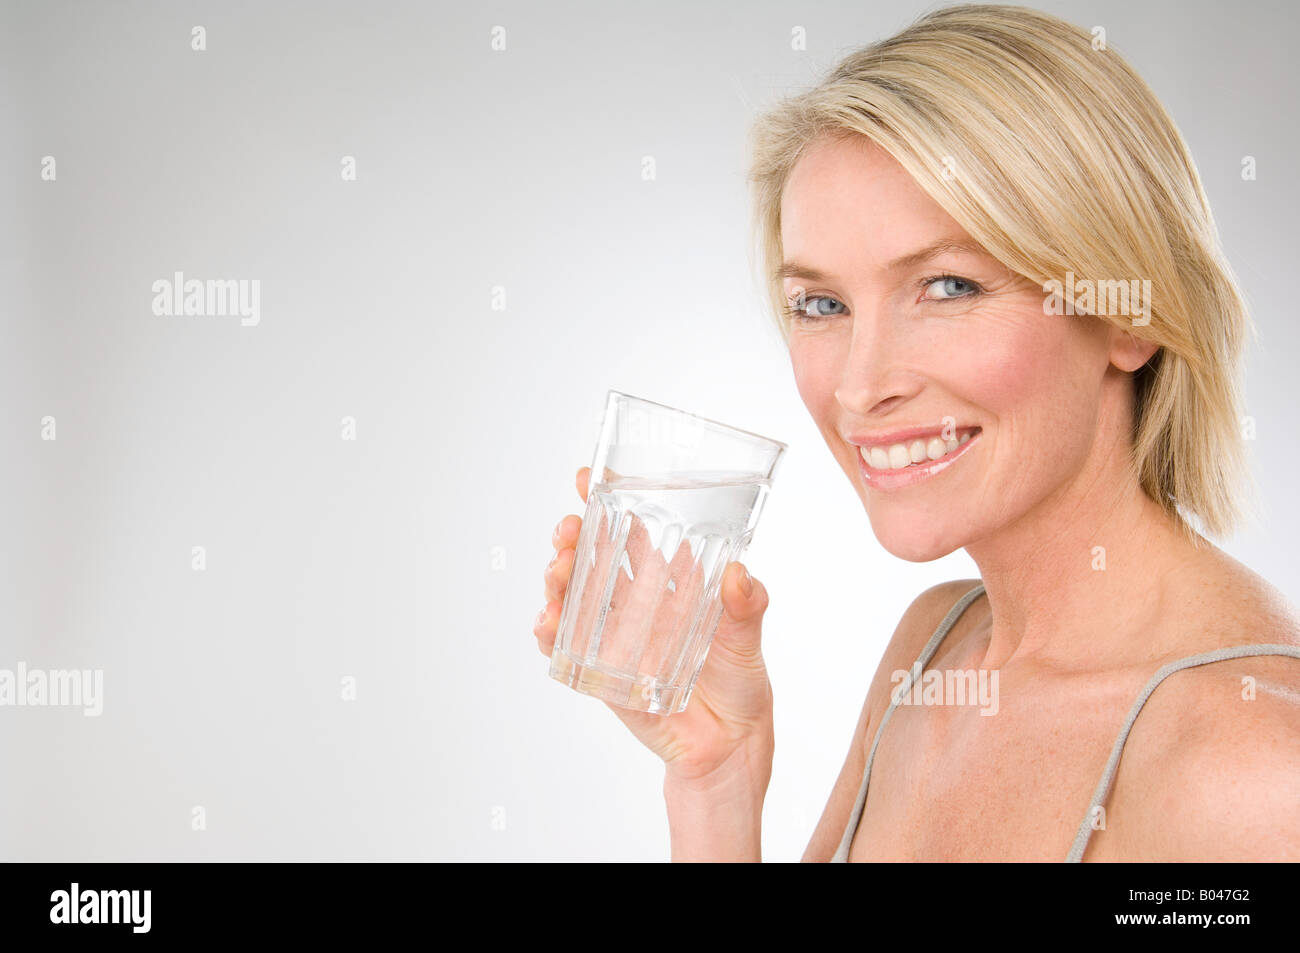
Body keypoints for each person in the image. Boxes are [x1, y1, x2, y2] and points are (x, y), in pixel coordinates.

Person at [533, 3, 1300, 861]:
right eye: (822, 305)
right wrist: (716, 781)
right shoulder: (935, 645)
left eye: (948, 287)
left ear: (1129, 315)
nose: (861, 386)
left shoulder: (1253, 768)